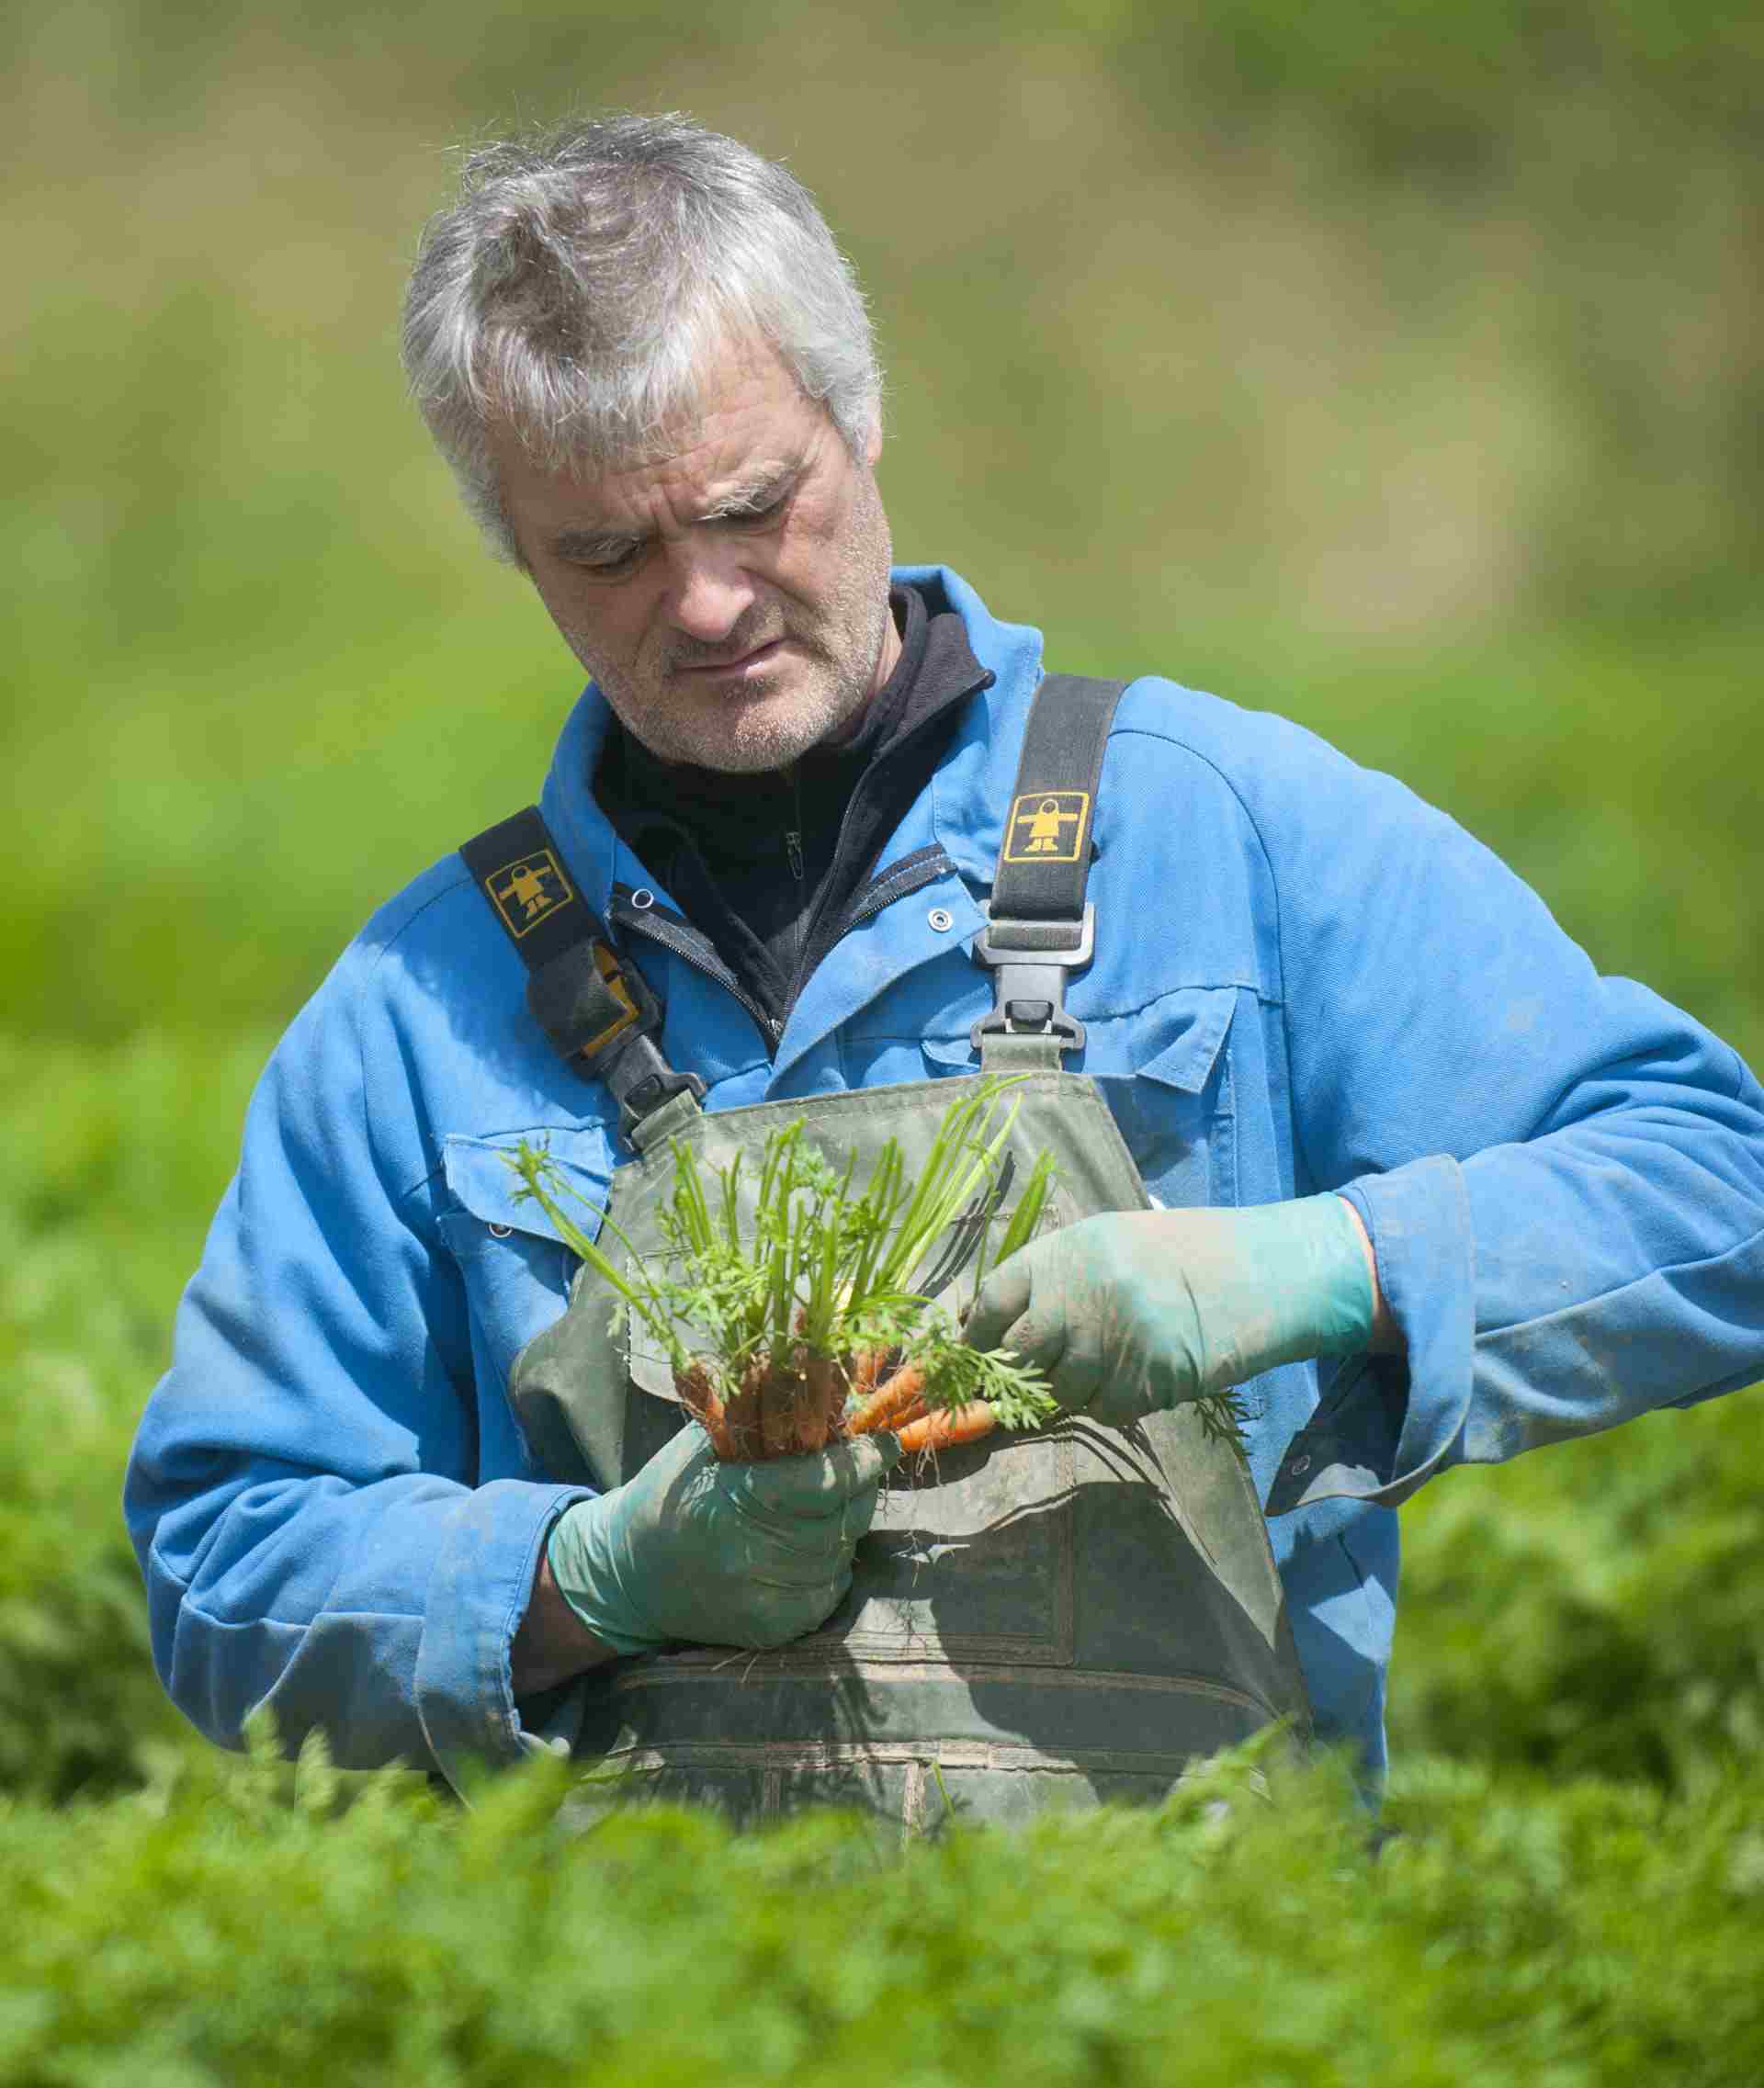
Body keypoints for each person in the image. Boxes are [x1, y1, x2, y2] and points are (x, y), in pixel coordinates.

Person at [126, 114, 1764, 1811]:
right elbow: (222, 1561)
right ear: (513, 547)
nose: (702, 605)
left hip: (1202, 2021)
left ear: (864, 409)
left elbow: (1722, 1188)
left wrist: (1316, 1268)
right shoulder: (422, 1012)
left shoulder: (1218, 837)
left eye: (754, 506)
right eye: (607, 553)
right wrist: (583, 1574)